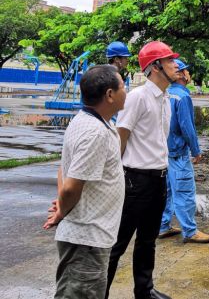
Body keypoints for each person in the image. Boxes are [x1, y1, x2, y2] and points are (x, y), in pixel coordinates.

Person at [44, 65, 127, 299]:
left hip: (92, 235)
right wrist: (62, 211)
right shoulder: (95, 132)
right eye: (122, 86)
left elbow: (64, 167)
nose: (126, 90)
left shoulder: (94, 122)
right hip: (86, 238)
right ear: (110, 95)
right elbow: (71, 186)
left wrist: (62, 206)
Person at [105, 41, 180, 299]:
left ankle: (144, 291)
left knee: (148, 241)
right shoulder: (138, 97)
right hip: (135, 180)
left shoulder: (167, 99)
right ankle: (99, 293)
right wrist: (116, 178)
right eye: (170, 61)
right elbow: (121, 136)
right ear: (155, 66)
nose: (176, 65)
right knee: (118, 243)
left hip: (158, 179)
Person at [158, 59, 209, 244]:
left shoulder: (166, 94)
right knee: (184, 192)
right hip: (179, 153)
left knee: (166, 192)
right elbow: (187, 128)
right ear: (181, 74)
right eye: (186, 71)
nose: (189, 74)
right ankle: (190, 231)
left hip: (164, 153)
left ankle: (163, 226)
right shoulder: (182, 97)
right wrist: (196, 150)